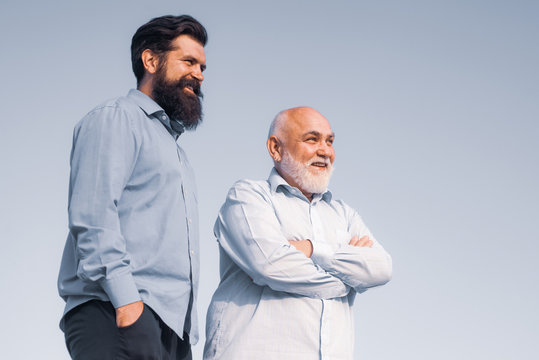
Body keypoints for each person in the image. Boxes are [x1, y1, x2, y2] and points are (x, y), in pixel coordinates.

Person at [57, 15, 207, 360]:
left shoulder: (176, 151)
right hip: (117, 311)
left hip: (170, 327)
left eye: (202, 66)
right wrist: (128, 303)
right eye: (188, 61)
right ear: (151, 60)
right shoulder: (116, 118)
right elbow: (93, 217)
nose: (199, 74)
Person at [203, 107, 392, 360]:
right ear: (275, 148)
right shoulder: (249, 197)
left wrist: (312, 249)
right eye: (312, 139)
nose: (325, 151)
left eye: (330, 141)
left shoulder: (344, 214)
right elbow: (270, 265)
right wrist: (348, 281)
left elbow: (382, 268)